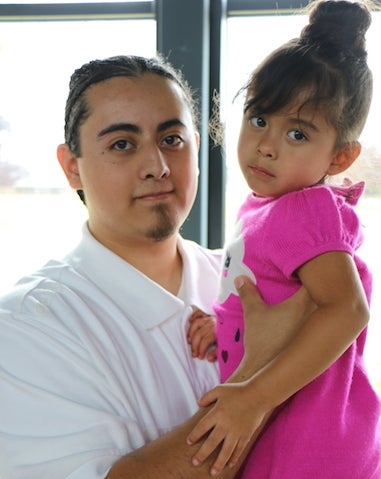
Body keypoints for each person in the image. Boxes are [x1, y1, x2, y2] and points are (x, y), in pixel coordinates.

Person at [0, 54, 311, 479]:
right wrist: (266, 370)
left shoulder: (247, 278)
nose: (158, 167)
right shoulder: (28, 326)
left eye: (172, 140)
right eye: (122, 144)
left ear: (197, 148)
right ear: (73, 168)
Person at [186, 1, 381, 477]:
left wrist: (254, 397)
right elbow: (277, 292)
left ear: (339, 158)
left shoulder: (304, 208)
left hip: (308, 443)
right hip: (294, 432)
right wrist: (229, 325)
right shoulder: (267, 205)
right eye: (258, 119)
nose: (267, 144)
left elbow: (347, 309)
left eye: (297, 133)